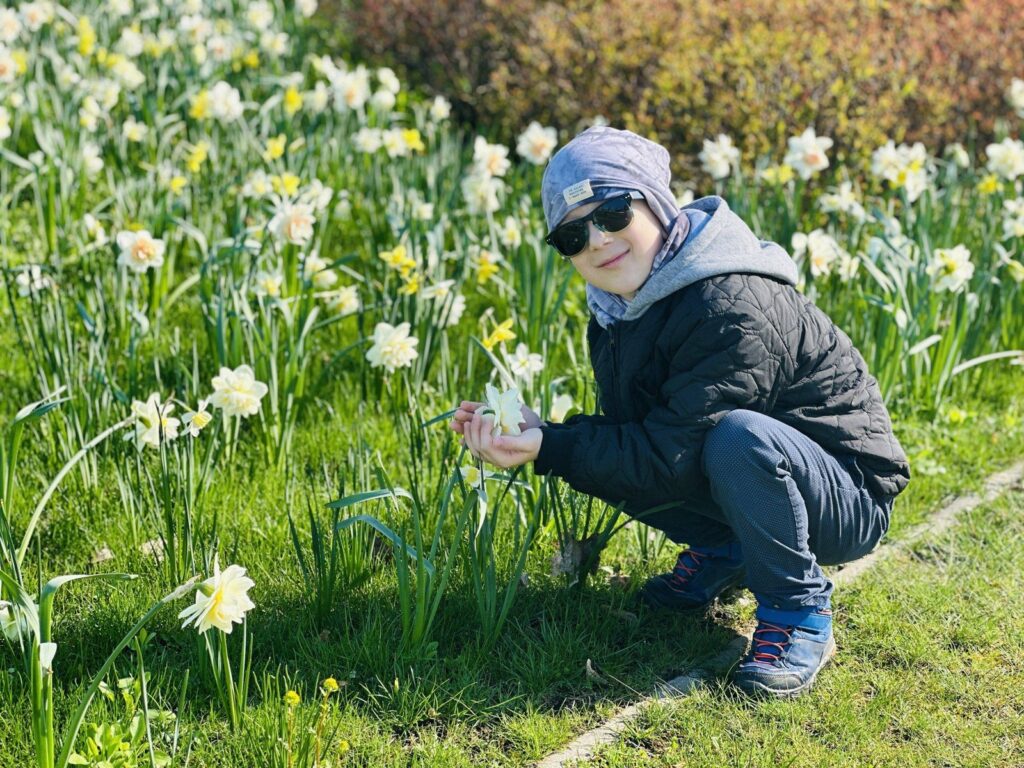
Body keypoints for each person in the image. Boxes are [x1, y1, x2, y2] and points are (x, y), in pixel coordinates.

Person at [449, 125, 910, 699]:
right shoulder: (619, 310)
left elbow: (672, 453)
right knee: (623, 450)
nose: (595, 240)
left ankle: (798, 611)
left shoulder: (730, 300)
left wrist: (554, 447)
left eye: (613, 213)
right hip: (744, 473)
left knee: (738, 440)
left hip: (846, 498)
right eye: (571, 236)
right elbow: (645, 441)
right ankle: (728, 550)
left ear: (657, 203)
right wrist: (543, 435)